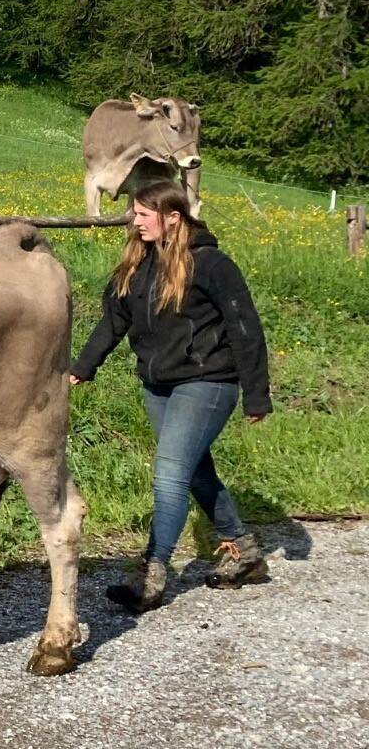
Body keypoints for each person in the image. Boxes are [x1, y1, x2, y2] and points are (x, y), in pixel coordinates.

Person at [68, 179, 272, 612]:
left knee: (170, 473)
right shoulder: (137, 264)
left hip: (208, 382)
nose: (135, 221)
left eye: (144, 214)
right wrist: (82, 367)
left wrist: (256, 394)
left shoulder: (212, 264)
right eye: (135, 213)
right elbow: (112, 321)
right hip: (158, 386)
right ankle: (244, 549)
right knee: (192, 470)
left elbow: (245, 328)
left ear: (173, 217)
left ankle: (150, 572)